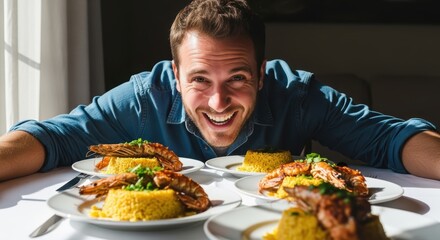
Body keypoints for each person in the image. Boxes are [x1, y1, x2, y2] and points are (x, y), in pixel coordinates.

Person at [1, 0, 440, 182]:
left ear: (262, 75)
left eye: (238, 78)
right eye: (199, 80)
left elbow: (390, 139)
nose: (218, 102)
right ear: (175, 75)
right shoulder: (143, 97)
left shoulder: (297, 95)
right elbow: (54, 137)